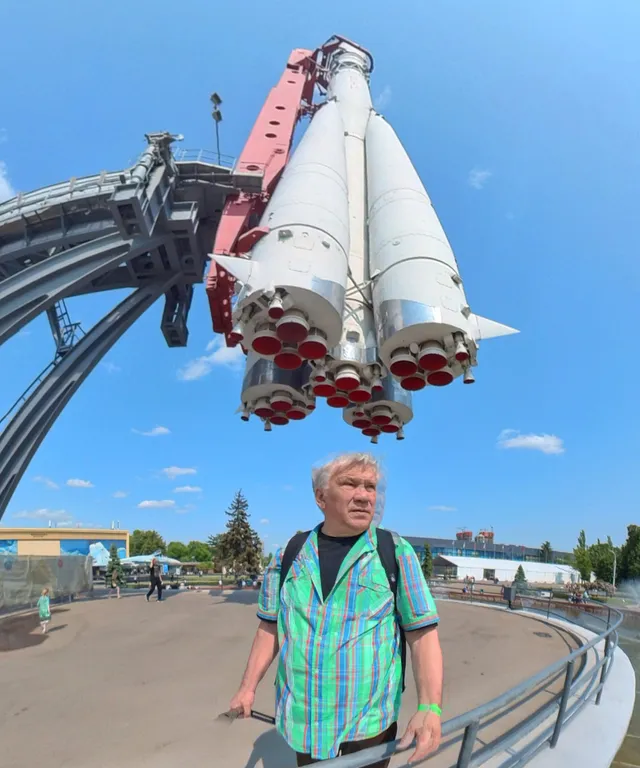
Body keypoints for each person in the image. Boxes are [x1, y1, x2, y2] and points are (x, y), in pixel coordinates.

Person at [229, 452, 443, 766]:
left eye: (370, 487)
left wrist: (429, 708)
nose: (364, 496)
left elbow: (422, 635)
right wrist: (247, 689)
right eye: (350, 484)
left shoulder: (395, 552)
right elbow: (270, 627)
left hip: (368, 731)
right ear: (320, 496)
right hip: (305, 724)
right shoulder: (290, 554)